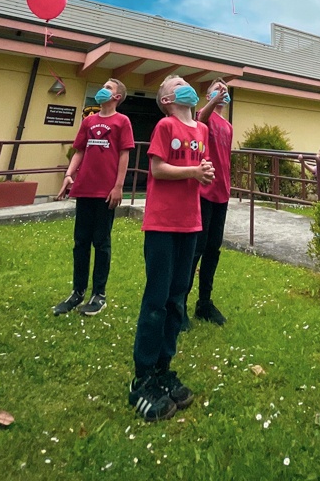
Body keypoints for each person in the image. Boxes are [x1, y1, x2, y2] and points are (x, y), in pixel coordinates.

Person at [129, 75, 215, 422]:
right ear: (165, 99)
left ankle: (164, 369)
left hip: (190, 223)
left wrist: (203, 173)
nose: (184, 85)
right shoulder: (165, 126)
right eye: (175, 84)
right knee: (156, 300)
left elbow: (199, 171)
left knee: (177, 299)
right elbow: (158, 169)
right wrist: (195, 170)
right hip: (162, 223)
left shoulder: (203, 132)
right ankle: (142, 378)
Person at [53, 78, 134, 317]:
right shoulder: (89, 121)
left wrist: (118, 186)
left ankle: (99, 295)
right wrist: (69, 175)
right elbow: (80, 150)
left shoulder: (123, 121)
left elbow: (124, 154)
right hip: (84, 190)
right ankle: (77, 292)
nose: (102, 90)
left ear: (117, 96)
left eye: (108, 88)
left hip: (105, 193)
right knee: (80, 242)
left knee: (101, 242)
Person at [183, 79, 233, 329]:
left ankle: (204, 303)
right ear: (207, 95)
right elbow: (200, 119)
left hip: (222, 194)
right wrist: (214, 100)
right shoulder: (204, 118)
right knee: (196, 250)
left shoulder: (228, 125)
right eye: (217, 89)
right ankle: (179, 304)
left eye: (225, 90)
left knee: (213, 250)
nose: (223, 93)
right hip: (204, 193)